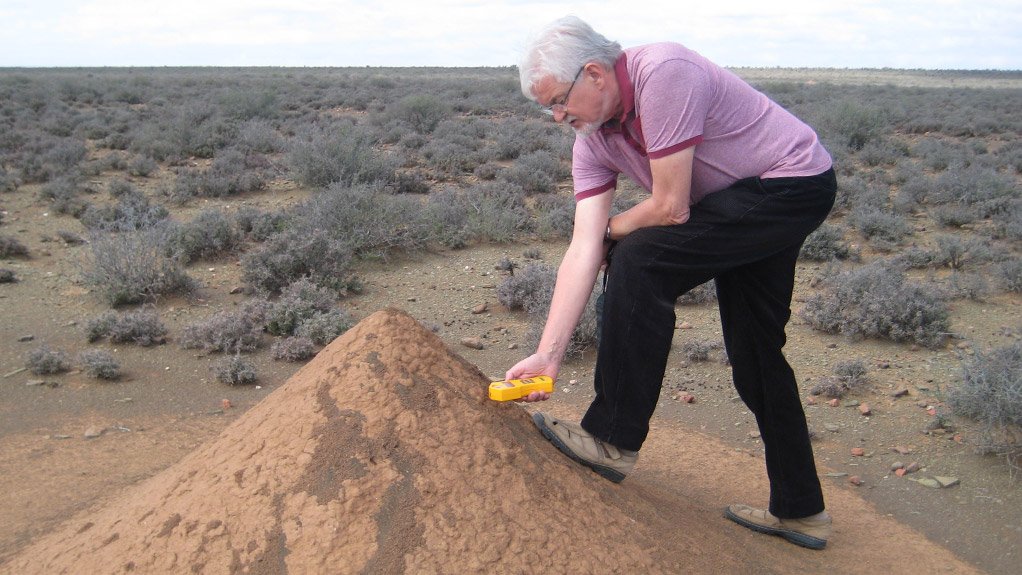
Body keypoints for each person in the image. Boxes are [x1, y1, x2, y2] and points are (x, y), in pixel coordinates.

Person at [505, 15, 837, 550]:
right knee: (755, 353)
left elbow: (669, 208)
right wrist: (548, 354)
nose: (556, 116)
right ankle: (802, 512)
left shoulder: (664, 71)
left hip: (792, 183)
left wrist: (615, 229)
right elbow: (582, 249)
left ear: (594, 73)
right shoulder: (592, 141)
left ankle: (610, 439)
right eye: (547, 108)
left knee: (639, 260)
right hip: (740, 201)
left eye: (560, 101)